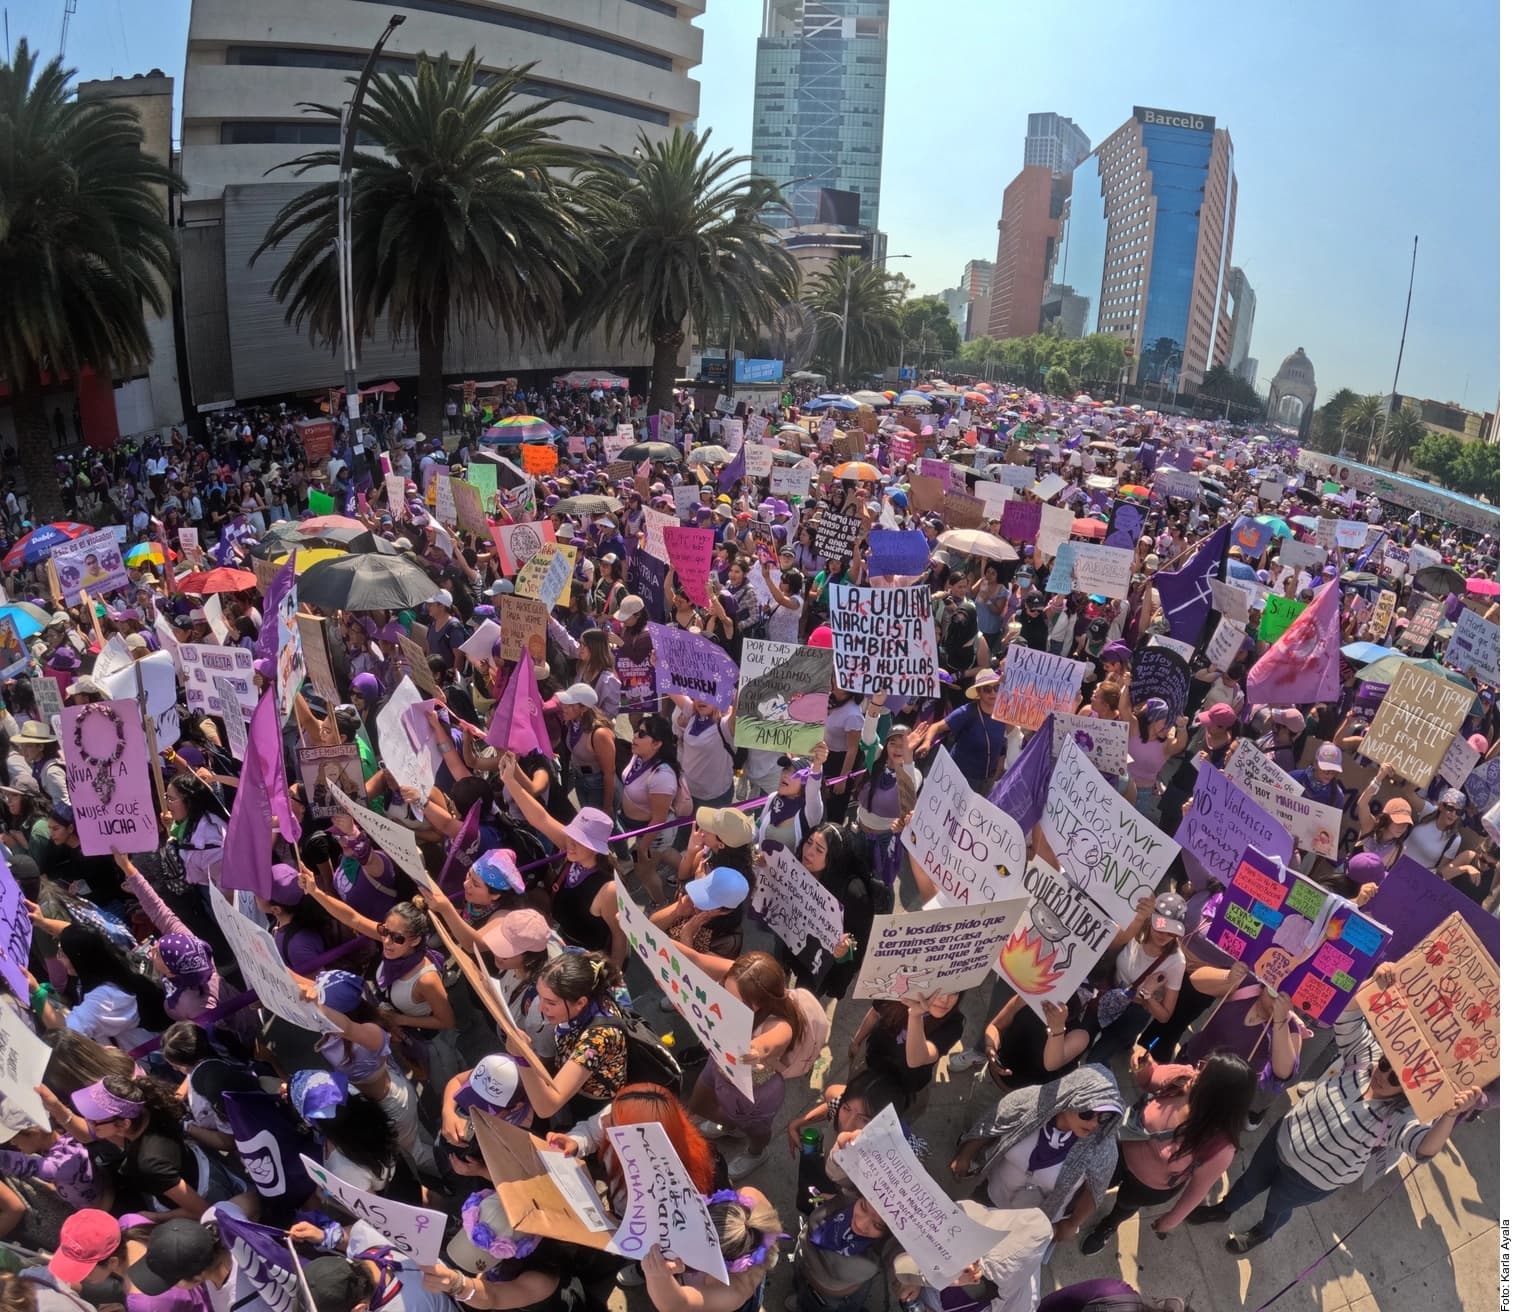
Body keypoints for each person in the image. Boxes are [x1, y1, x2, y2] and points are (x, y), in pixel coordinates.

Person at [1186, 961, 1486, 1252]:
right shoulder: (1366, 1055)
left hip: (1312, 1179)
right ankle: (1224, 1208)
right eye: (1385, 1064)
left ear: (1411, 1090)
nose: (1382, 1074)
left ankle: (1263, 1231)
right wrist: (1375, 983)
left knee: (1278, 1205)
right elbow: (1345, 1016)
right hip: (1283, 1138)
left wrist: (1449, 1116)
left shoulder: (1401, 1116)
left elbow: (1423, 1149)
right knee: (1249, 1181)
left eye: (1396, 1077)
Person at [1077, 1049, 1255, 1253]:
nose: (1195, 1074)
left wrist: (1170, 1220)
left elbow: (1197, 1190)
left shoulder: (1220, 1148)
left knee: (1125, 1205)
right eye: (1201, 1068)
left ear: (1217, 1097)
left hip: (1148, 1188)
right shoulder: (1182, 1077)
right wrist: (1143, 1067)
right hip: (1119, 1150)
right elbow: (1151, 1078)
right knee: (1092, 1184)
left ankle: (1108, 1225)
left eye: (1203, 1078)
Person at [951, 1065, 1124, 1245]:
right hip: (992, 1195)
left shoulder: (1103, 1148)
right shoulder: (1028, 1102)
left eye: (1105, 1117)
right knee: (961, 1242)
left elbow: (1094, 1191)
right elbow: (991, 1125)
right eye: (1087, 1113)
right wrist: (965, 1156)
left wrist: (1073, 1223)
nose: (1095, 1124)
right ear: (1069, 1099)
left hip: (1033, 1223)